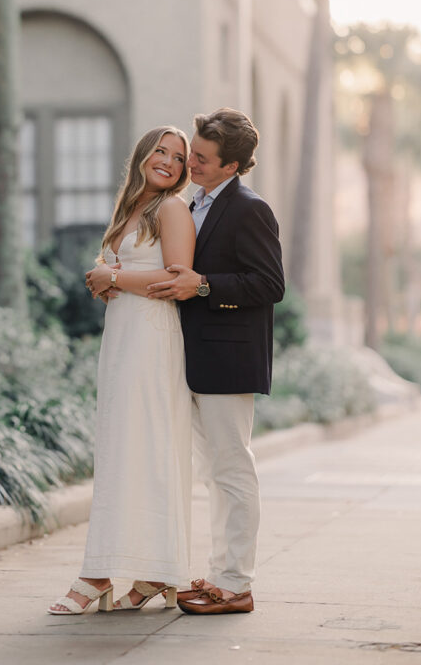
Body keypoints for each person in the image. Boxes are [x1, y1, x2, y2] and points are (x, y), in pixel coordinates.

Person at [48, 126, 196, 615]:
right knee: (123, 450)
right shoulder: (131, 209)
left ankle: (97, 574)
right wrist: (110, 282)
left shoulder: (172, 209)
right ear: (142, 156)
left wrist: (114, 277)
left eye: (178, 157)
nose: (169, 162)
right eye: (161, 151)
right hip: (123, 338)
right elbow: (127, 270)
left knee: (143, 448)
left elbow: (177, 278)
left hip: (152, 340)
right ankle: (153, 572)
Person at [147, 108, 285, 615]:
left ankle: (237, 585)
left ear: (231, 167)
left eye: (202, 159)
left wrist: (202, 285)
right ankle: (220, 572)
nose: (192, 164)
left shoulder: (251, 209)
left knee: (232, 470)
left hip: (229, 363)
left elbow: (271, 285)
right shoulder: (193, 203)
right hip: (195, 358)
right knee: (214, 474)